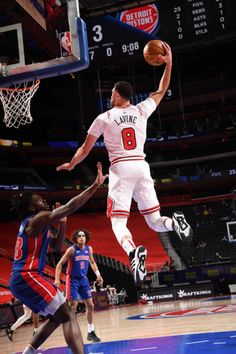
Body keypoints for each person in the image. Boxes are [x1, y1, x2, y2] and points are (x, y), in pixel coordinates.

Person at [56, 42, 193, 285]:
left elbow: (85, 149)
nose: (110, 97)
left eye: (111, 94)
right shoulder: (141, 110)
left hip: (120, 168)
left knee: (118, 221)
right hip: (141, 166)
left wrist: (72, 164)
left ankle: (132, 252)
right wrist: (169, 65)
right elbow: (161, 90)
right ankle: (175, 222)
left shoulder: (104, 117)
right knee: (154, 220)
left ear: (118, 95)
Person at [9, 162, 107, 354]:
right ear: (31, 206)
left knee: (58, 316)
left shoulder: (37, 226)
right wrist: (95, 185)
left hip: (22, 279)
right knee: (69, 315)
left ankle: (29, 351)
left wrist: (62, 225)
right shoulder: (36, 219)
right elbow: (71, 205)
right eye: (38, 199)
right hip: (27, 276)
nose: (43, 200)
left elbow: (55, 247)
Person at [55, 228, 103, 343]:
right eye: (79, 236)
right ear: (76, 239)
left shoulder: (89, 249)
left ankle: (91, 332)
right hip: (72, 280)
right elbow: (60, 264)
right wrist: (57, 279)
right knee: (73, 306)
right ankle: (73, 332)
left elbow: (92, 262)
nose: (81, 237)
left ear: (86, 238)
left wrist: (98, 275)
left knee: (90, 305)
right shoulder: (71, 250)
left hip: (83, 280)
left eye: (83, 236)